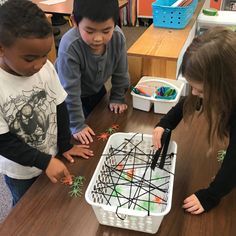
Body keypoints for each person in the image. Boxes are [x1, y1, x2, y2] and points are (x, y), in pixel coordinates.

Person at [0, 0, 94, 205]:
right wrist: (44, 162)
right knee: (25, 209)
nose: (39, 64)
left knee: (51, 204)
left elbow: (59, 105)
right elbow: (3, 142)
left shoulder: (45, 68)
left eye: (44, 55)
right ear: (1, 49)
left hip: (51, 156)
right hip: (21, 171)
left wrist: (64, 146)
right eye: (30, 58)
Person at [152, 27, 236, 214]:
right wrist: (165, 123)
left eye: (202, 90)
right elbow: (189, 100)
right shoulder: (216, 84)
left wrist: (211, 195)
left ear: (227, 85)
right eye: (192, 86)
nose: (195, 93)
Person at [55, 0, 130, 145]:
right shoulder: (69, 45)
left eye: (106, 31)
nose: (98, 38)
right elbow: (69, 91)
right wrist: (77, 124)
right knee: (74, 137)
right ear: (74, 21)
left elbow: (121, 72)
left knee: (102, 124)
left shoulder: (118, 37)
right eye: (89, 31)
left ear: (115, 22)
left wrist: (117, 96)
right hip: (65, 97)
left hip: (94, 88)